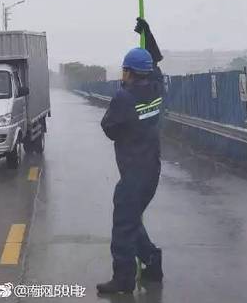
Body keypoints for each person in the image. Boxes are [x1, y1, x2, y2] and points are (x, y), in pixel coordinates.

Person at [97, 18, 164, 295]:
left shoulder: (124, 99)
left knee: (123, 226)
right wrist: (147, 33)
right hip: (152, 171)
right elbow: (156, 63)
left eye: (124, 70)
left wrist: (121, 95)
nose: (122, 74)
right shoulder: (159, 87)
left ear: (129, 72)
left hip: (133, 175)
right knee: (132, 219)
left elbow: (109, 128)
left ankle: (123, 279)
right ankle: (152, 261)